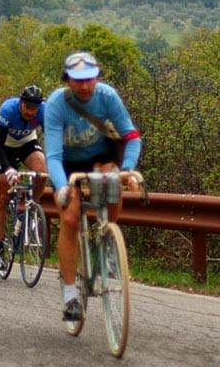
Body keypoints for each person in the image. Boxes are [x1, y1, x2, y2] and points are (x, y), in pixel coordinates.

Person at [44, 51, 141, 321]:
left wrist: (129, 170)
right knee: (71, 218)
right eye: (78, 80)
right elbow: (52, 155)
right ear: (68, 80)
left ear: (97, 77)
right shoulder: (56, 104)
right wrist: (62, 188)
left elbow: (131, 136)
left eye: (89, 79)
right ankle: (70, 295)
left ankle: (107, 240)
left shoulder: (108, 97)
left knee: (113, 181)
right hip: (66, 165)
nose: (84, 86)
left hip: (100, 158)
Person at [0, 84, 48, 271]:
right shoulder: (8, 109)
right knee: (3, 192)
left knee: (42, 170)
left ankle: (32, 207)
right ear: (21, 103)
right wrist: (7, 168)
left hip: (26, 143)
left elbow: (51, 137)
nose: (31, 112)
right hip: (4, 146)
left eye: (34, 109)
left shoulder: (43, 111)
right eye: (27, 107)